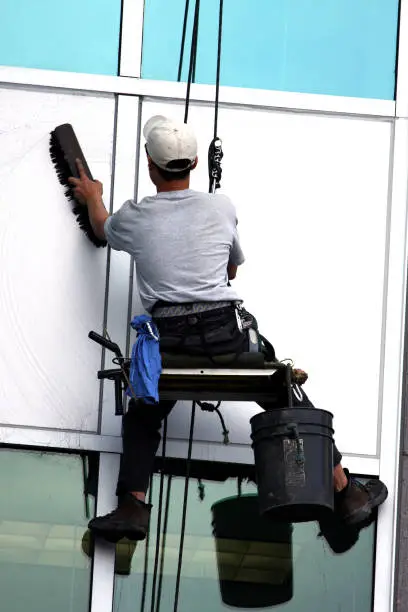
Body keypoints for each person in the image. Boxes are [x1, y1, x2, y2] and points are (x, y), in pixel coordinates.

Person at [69, 115, 388, 551]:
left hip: (170, 342)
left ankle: (132, 505)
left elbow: (102, 227)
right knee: (283, 390)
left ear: (150, 165)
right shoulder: (221, 207)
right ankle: (345, 490)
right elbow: (232, 268)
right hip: (224, 334)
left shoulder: (136, 216)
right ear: (196, 162)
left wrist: (92, 195)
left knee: (145, 413)